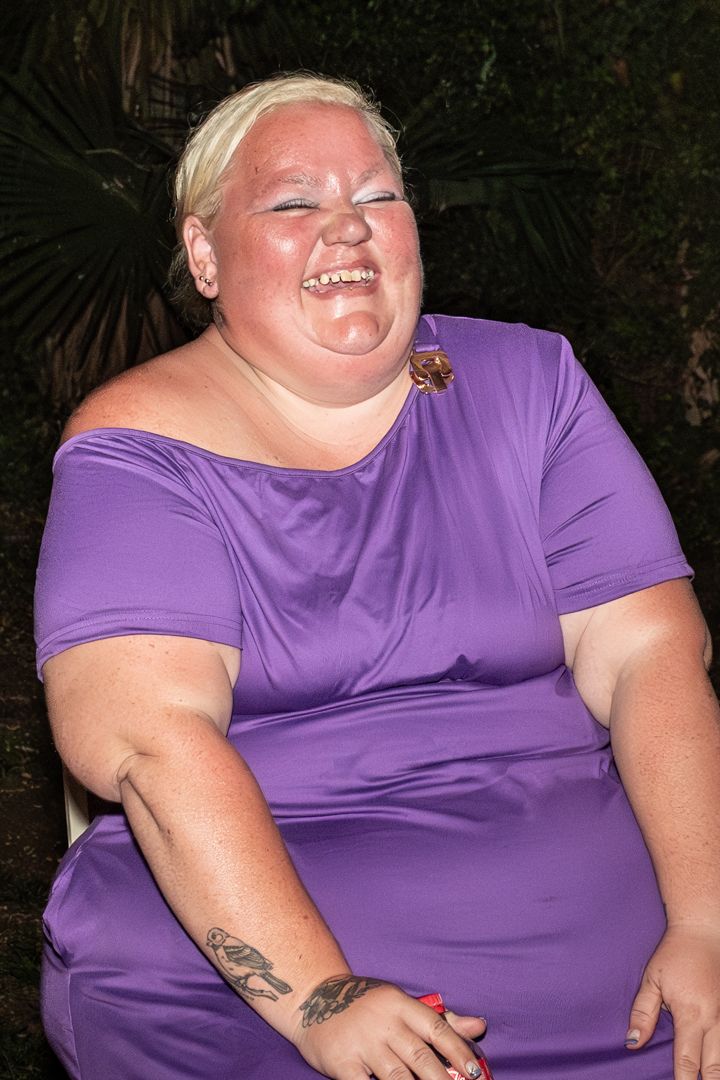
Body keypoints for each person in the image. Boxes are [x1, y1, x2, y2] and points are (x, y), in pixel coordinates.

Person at [34, 72, 720, 1080]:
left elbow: (651, 654)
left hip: (605, 976)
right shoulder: (138, 444)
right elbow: (148, 742)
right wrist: (319, 997)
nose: (348, 226)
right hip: (246, 983)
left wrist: (704, 921)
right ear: (205, 254)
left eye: (377, 195)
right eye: (294, 202)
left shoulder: (529, 384)